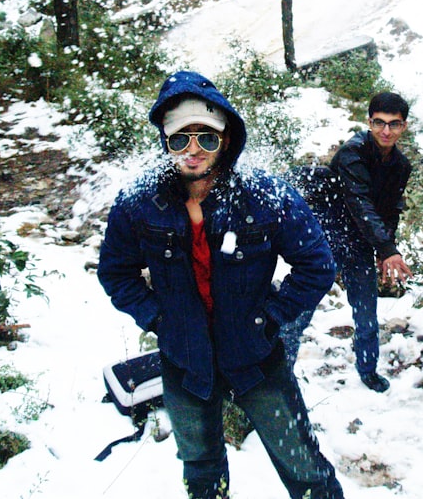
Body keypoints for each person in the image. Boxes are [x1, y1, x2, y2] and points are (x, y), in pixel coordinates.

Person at [97, 71, 345, 499]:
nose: (193, 152)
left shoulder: (265, 195)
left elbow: (317, 264)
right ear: (165, 141)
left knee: (305, 469)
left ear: (225, 140)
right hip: (183, 359)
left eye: (206, 139)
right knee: (201, 474)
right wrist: (158, 318)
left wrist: (272, 316)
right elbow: (115, 272)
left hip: (255, 356)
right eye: (180, 140)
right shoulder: (139, 202)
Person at [285, 92, 414, 391]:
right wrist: (385, 248)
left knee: (366, 311)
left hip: (360, 241)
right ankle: (279, 374)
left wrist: (386, 249)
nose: (385, 131)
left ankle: (368, 369)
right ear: (369, 122)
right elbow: (359, 202)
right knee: (302, 309)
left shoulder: (401, 165)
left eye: (393, 124)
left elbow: (390, 209)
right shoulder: (352, 153)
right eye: (379, 123)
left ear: (403, 127)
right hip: (327, 235)